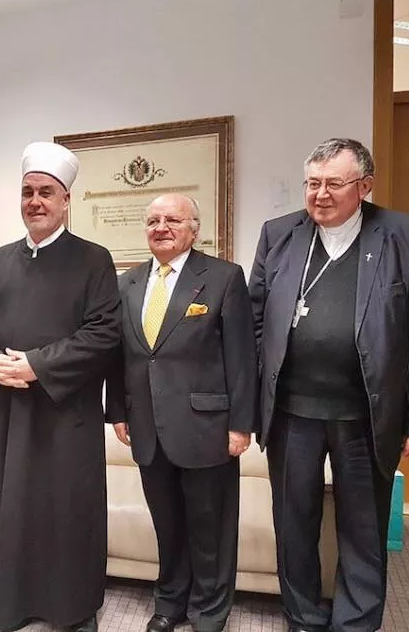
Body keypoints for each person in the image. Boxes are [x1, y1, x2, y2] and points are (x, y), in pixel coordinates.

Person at [249, 138, 409, 632]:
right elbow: (254, 322)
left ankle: (356, 623)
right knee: (293, 524)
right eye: (312, 184)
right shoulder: (279, 234)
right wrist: (252, 404)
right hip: (292, 413)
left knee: (363, 528)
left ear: (364, 186)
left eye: (334, 184)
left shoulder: (406, 236)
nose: (320, 195)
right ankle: (303, 618)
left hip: (366, 415)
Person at [0, 141, 122, 632]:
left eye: (46, 193)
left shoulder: (94, 259)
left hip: (65, 412)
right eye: (28, 192)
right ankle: (15, 605)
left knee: (67, 511)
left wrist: (36, 365)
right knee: (13, 509)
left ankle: (73, 610)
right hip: (9, 411)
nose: (35, 201)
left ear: (66, 200)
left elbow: (103, 333)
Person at [106, 193, 257, 632]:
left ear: (194, 228)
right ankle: (170, 602)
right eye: (153, 220)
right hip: (147, 427)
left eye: (172, 219)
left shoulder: (224, 278)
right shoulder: (127, 283)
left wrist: (241, 424)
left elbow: (242, 357)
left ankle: (209, 611)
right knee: (167, 526)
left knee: (210, 528)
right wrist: (118, 411)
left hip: (206, 426)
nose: (161, 227)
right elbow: (120, 355)